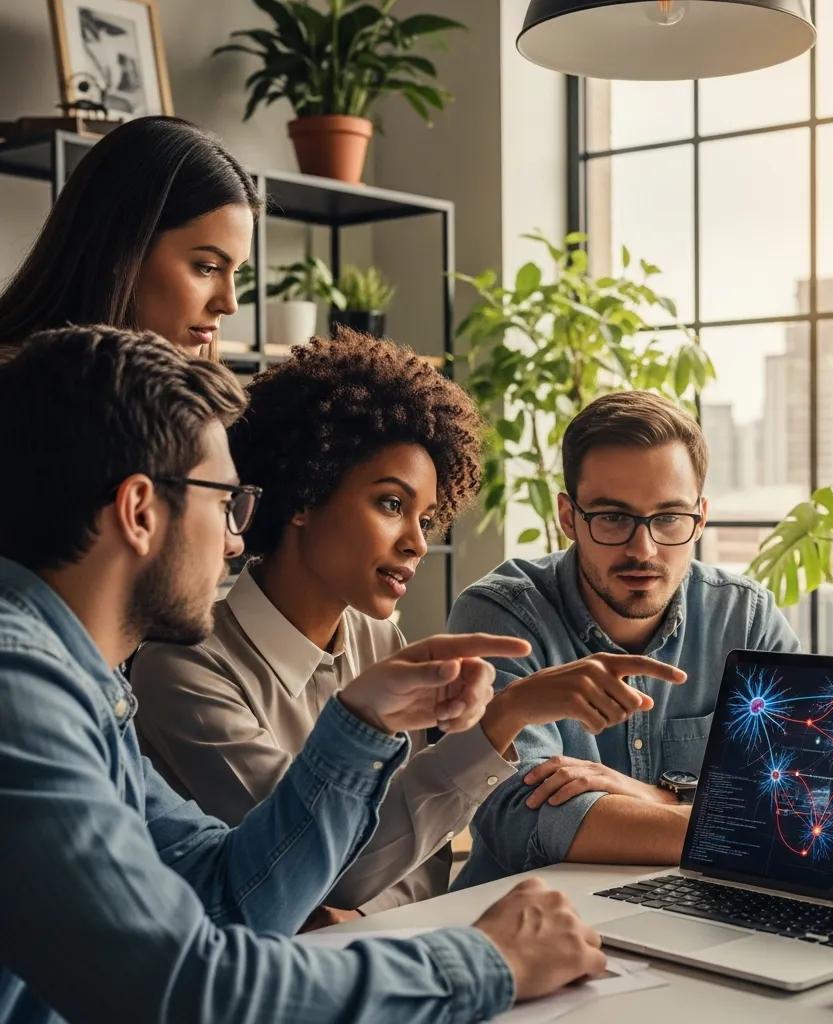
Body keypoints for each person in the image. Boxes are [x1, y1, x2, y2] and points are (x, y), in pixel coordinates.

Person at [0, 325, 606, 1024]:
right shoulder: (21, 692)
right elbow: (183, 987)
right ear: (140, 510)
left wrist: (361, 725)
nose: (235, 538)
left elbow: (228, 892)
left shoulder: (79, 689)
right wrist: (485, 962)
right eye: (225, 503)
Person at [131, 330, 684, 919]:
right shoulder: (186, 670)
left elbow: (420, 864)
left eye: (426, 515)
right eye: (392, 505)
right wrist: (504, 716)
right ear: (303, 492)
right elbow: (312, 867)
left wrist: (361, 918)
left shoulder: (377, 639)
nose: (418, 542)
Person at [448, 390, 801, 888]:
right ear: (568, 517)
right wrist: (734, 821)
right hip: (530, 923)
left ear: (699, 518)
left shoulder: (745, 618)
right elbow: (524, 822)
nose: (644, 548)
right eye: (613, 517)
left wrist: (655, 797)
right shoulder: (501, 616)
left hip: (706, 911)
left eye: (669, 518)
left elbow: (811, 801)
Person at [0, 116, 256, 357]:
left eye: (236, 272)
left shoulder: (193, 395)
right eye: (207, 268)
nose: (229, 304)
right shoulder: (20, 392)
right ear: (120, 251)